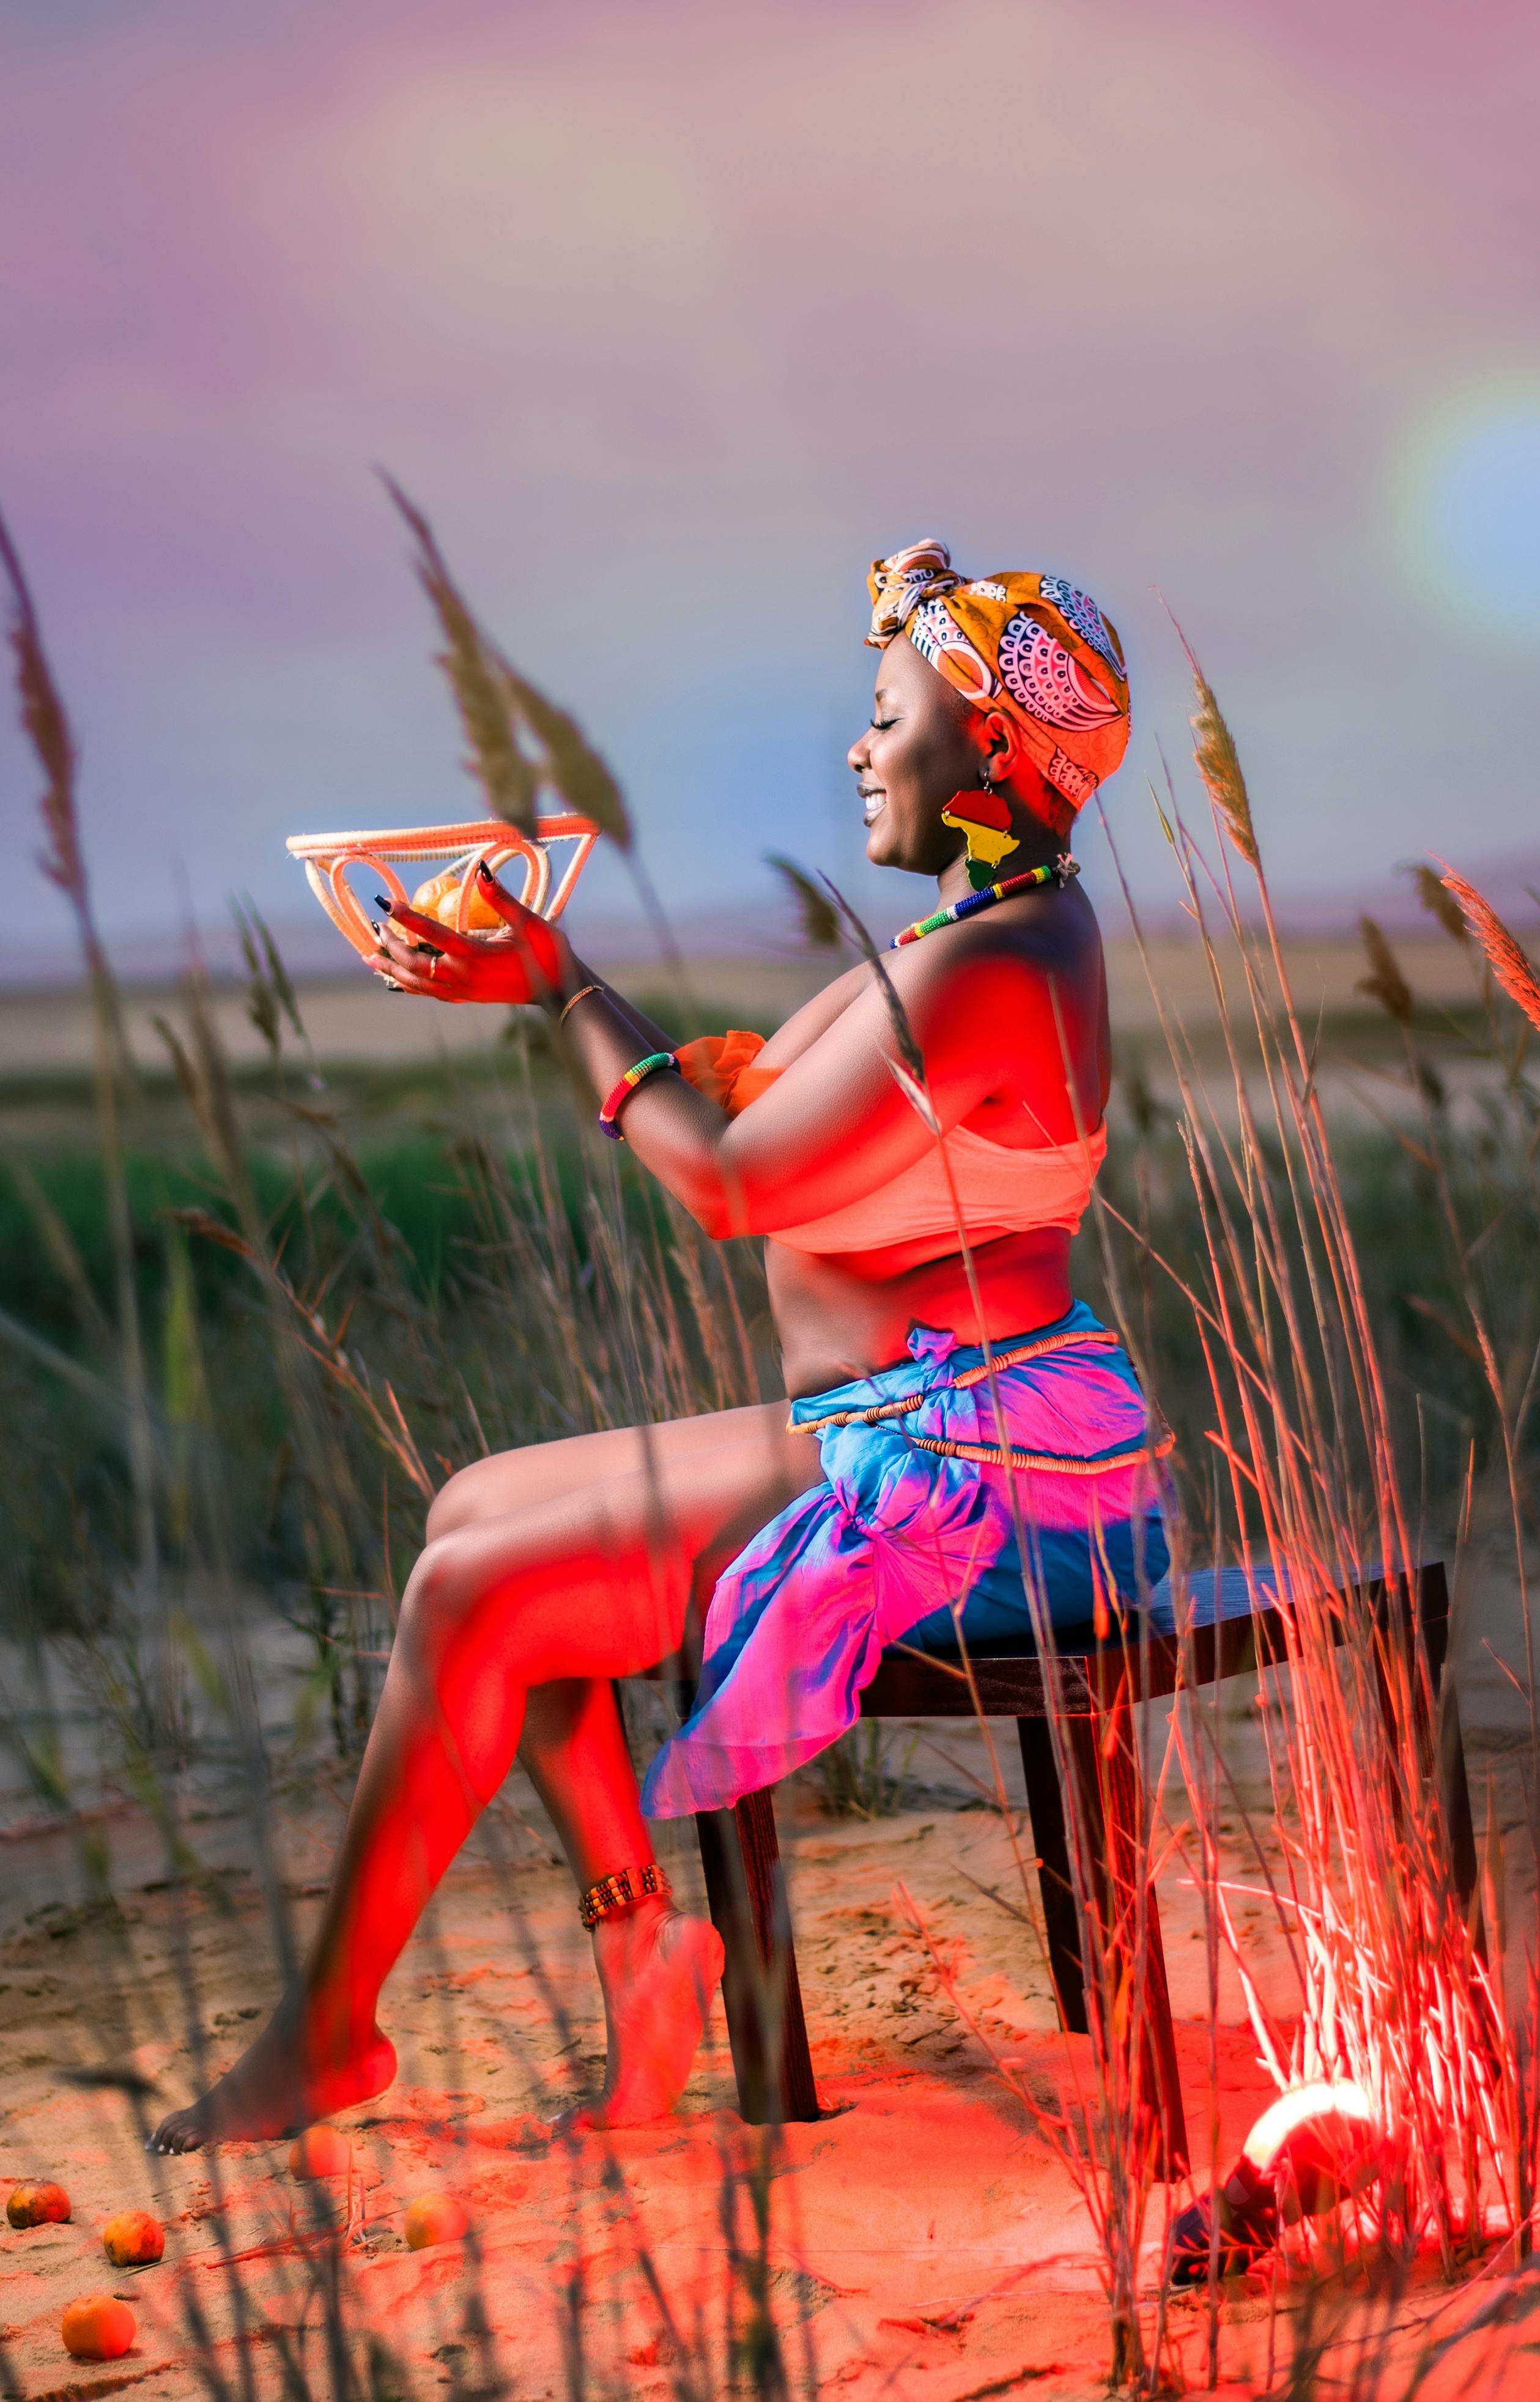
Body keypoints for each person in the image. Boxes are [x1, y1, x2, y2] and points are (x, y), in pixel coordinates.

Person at [149, 539, 1170, 2153]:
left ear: (987, 743)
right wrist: (548, 989)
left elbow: (735, 1186)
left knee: (474, 1594)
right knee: (475, 1509)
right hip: (906, 1427)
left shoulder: (1001, 962)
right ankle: (643, 1953)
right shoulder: (975, 938)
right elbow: (753, 1109)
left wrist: (565, 988)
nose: (860, 749)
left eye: (887, 714)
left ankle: (330, 2036)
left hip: (978, 1482)